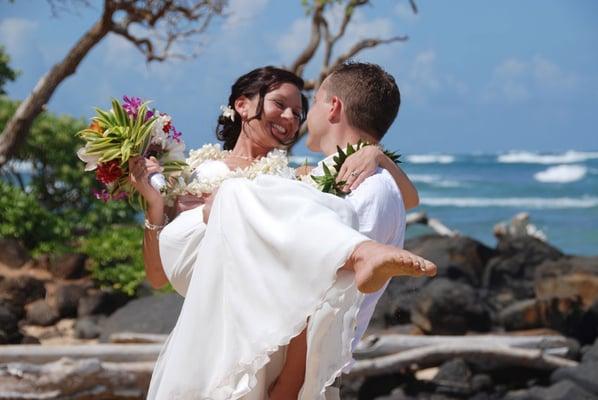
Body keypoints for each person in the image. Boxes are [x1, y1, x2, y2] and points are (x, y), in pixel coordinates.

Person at [129, 66, 435, 399]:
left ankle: (360, 253)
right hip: (208, 331)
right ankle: (359, 252)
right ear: (242, 105)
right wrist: (155, 205)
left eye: (300, 110)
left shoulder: (294, 181)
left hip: (264, 344)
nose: (292, 117)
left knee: (235, 195)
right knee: (234, 195)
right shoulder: (192, 174)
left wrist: (375, 153)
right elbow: (159, 278)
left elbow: (308, 285)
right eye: (280, 104)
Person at [269, 61, 416, 399]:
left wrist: (286, 389)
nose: (305, 113)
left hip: (299, 382)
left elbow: (326, 304)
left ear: (334, 106)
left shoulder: (368, 190)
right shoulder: (336, 175)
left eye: (316, 100)